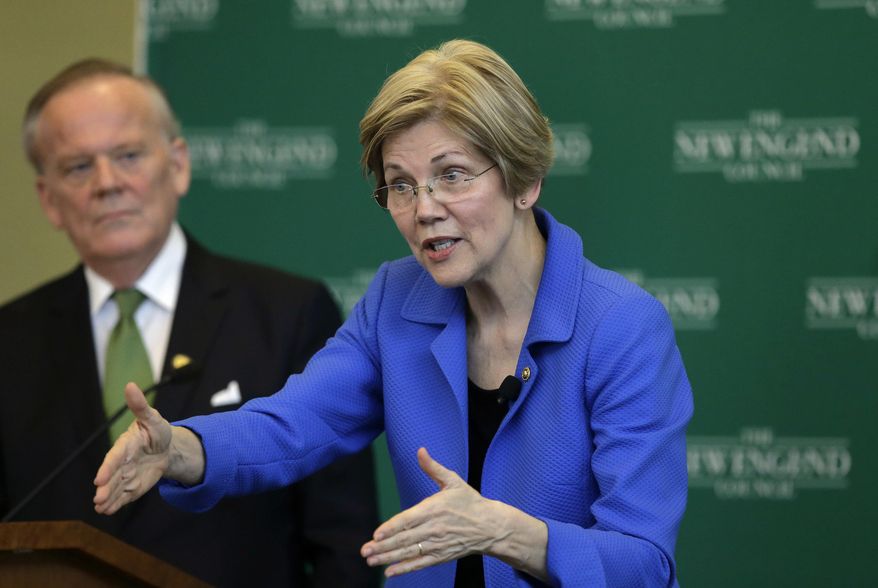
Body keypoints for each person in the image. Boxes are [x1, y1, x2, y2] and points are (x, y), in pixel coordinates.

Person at [95, 40, 694, 587]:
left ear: (525, 179)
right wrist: (181, 450)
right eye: (400, 185)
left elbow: (643, 562)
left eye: (451, 176)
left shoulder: (621, 326)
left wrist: (500, 532)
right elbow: (293, 423)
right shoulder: (398, 300)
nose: (423, 210)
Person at [0, 59, 380, 587]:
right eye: (77, 167)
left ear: (178, 164)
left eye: (128, 155)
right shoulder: (11, 340)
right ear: (49, 199)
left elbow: (345, 544)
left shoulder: (286, 312)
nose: (107, 184)